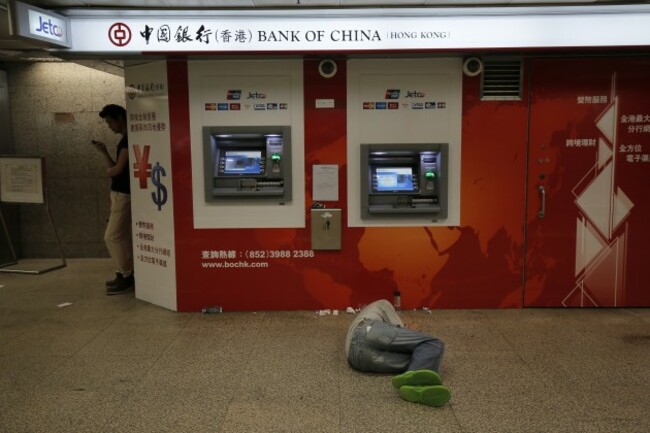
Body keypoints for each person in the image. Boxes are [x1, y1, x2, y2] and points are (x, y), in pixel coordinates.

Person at [345, 299, 450, 407]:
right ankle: (417, 380)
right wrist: (409, 330)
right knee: (432, 344)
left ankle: (417, 387)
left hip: (356, 359)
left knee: (418, 358)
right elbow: (398, 327)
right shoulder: (382, 303)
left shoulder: (372, 316)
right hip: (366, 329)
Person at [92, 104, 134, 295]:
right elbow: (115, 168)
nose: (109, 126)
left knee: (112, 236)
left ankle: (127, 275)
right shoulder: (123, 141)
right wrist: (104, 152)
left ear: (120, 118)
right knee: (122, 236)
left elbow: (117, 170)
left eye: (110, 122)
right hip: (118, 194)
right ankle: (123, 272)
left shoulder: (127, 141)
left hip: (124, 196)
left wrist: (110, 172)